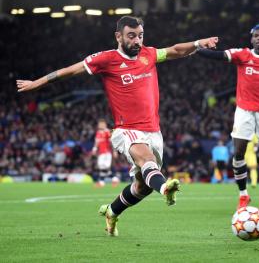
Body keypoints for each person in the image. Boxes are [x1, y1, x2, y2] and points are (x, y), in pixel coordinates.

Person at [17, 16, 218, 236]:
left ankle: (112, 212)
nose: (137, 40)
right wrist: (37, 83)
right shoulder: (106, 59)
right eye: (131, 36)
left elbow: (176, 50)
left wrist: (199, 43)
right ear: (118, 36)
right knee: (148, 161)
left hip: (154, 131)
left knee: (142, 187)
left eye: (140, 35)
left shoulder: (149, 55)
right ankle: (165, 188)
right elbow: (70, 71)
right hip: (126, 130)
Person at [197, 23, 259, 217]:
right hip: (244, 112)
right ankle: (243, 195)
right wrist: (197, 49)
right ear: (252, 40)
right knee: (238, 152)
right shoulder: (242, 55)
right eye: (256, 36)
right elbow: (219, 55)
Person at [92, 118, 119, 187]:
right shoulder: (98, 132)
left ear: (105, 125)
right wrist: (94, 149)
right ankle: (113, 179)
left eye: (102, 124)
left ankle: (103, 182)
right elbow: (96, 142)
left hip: (107, 152)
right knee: (102, 167)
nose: (100, 125)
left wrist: (114, 151)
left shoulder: (107, 132)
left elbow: (112, 142)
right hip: (101, 153)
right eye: (99, 124)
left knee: (105, 167)